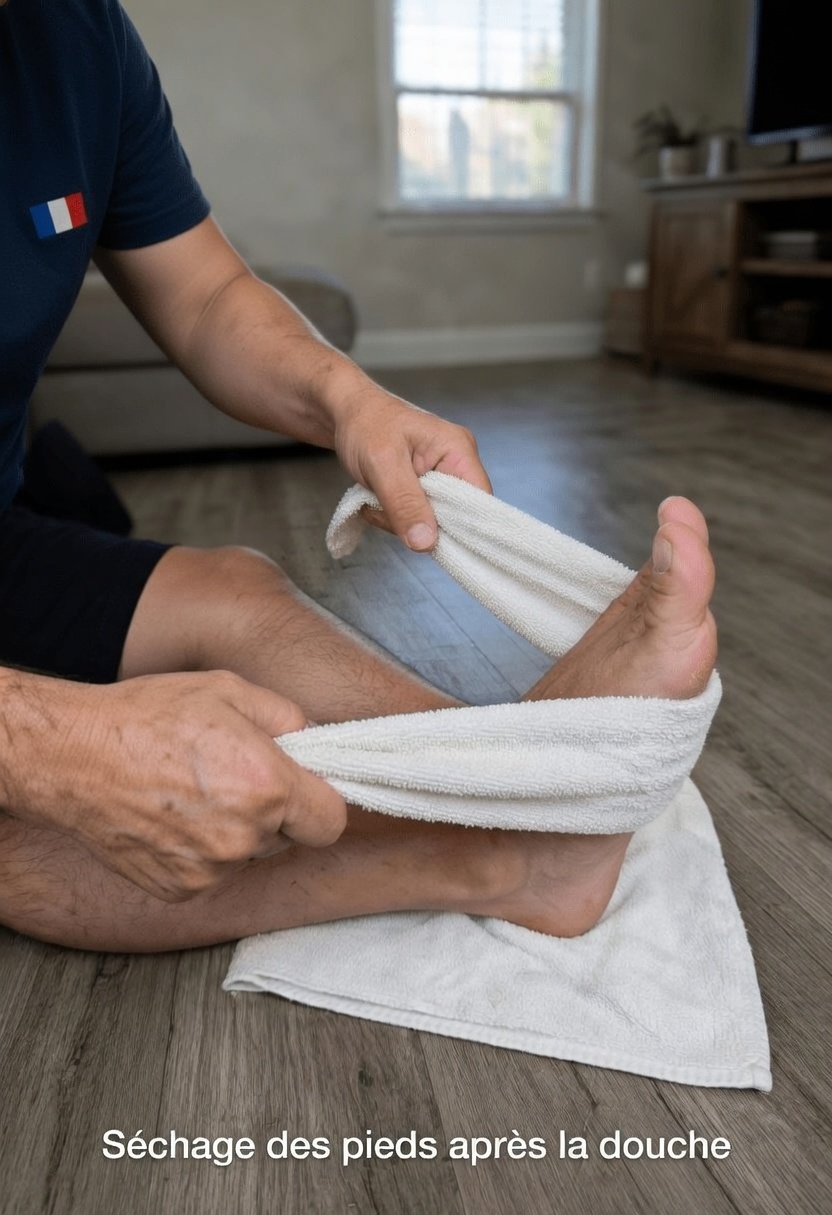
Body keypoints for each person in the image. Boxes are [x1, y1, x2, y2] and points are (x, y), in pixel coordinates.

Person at [0, 0, 718, 953]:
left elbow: (207, 293)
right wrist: (50, 744)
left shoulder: (78, 36)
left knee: (238, 590)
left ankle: (520, 793)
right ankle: (506, 852)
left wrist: (351, 400)